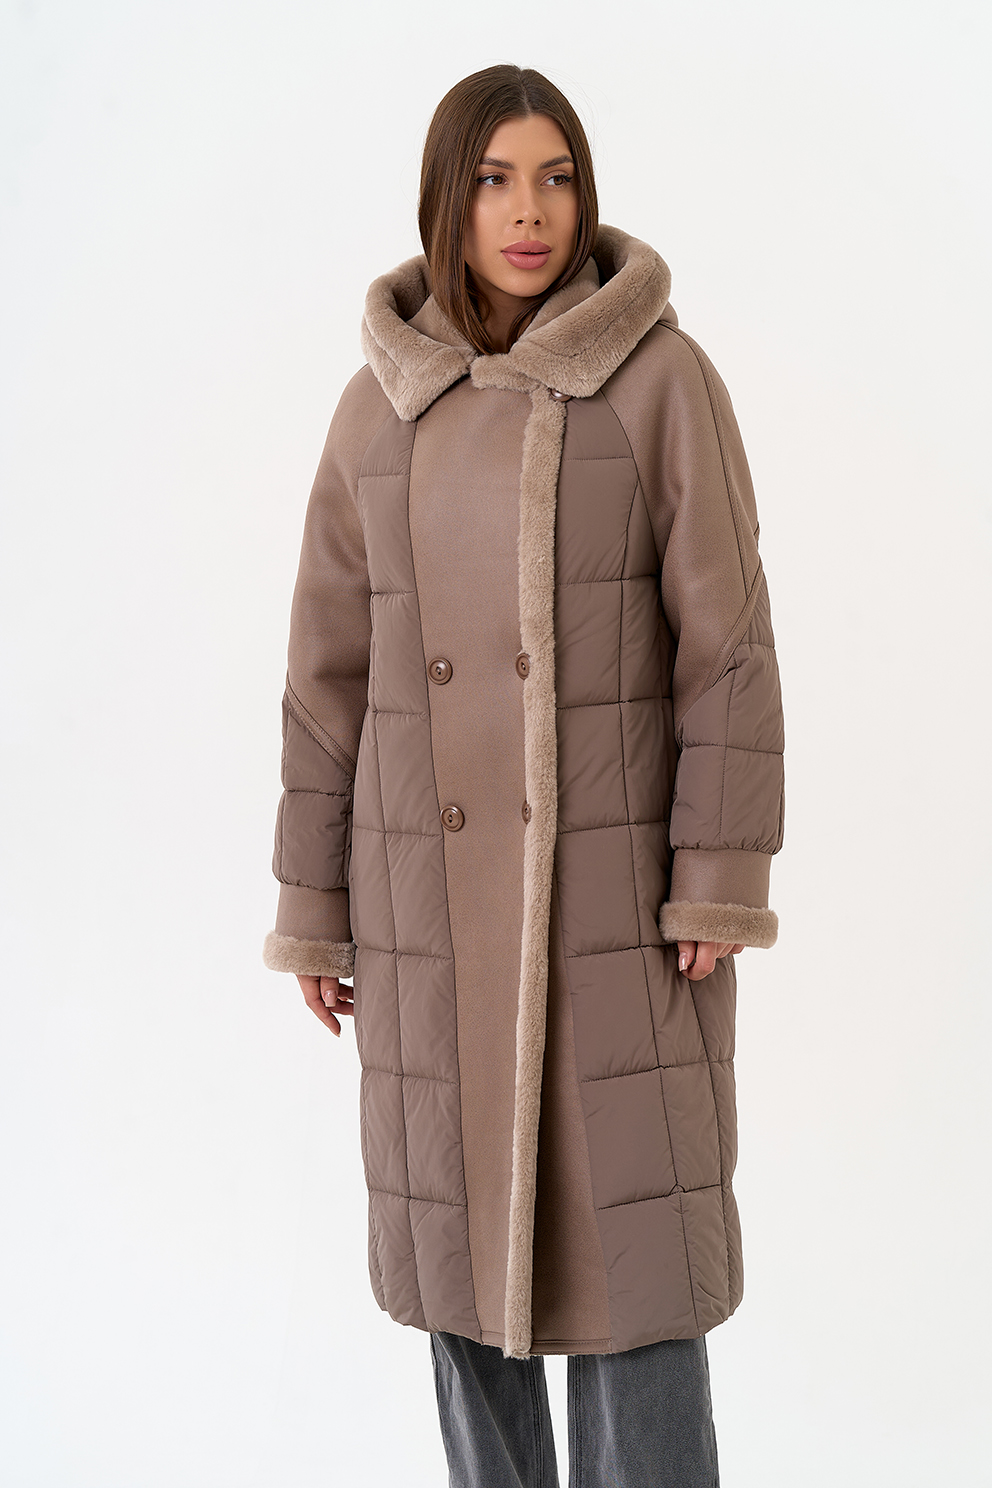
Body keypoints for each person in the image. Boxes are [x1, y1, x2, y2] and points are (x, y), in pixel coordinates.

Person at [262, 63, 785, 1488]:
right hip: (427, 910)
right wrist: (313, 907)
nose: (529, 211)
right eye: (494, 180)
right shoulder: (377, 411)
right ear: (447, 201)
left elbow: (728, 644)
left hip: (613, 909)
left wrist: (717, 875)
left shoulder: (659, 381)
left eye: (556, 177)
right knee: (461, 1281)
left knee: (637, 1277)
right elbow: (325, 680)